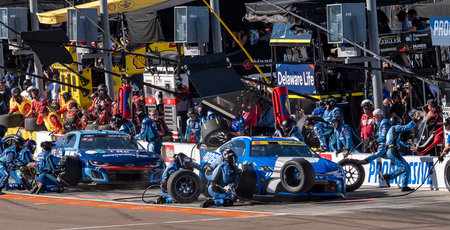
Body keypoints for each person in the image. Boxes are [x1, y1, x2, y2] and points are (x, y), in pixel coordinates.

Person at [382, 115, 420, 192]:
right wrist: (414, 120)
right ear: (398, 122)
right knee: (403, 167)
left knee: (406, 167)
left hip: (390, 150)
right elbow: (407, 127)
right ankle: (389, 176)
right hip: (393, 150)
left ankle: (404, 186)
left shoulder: (390, 130)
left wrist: (409, 146)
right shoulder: (396, 127)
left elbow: (399, 142)